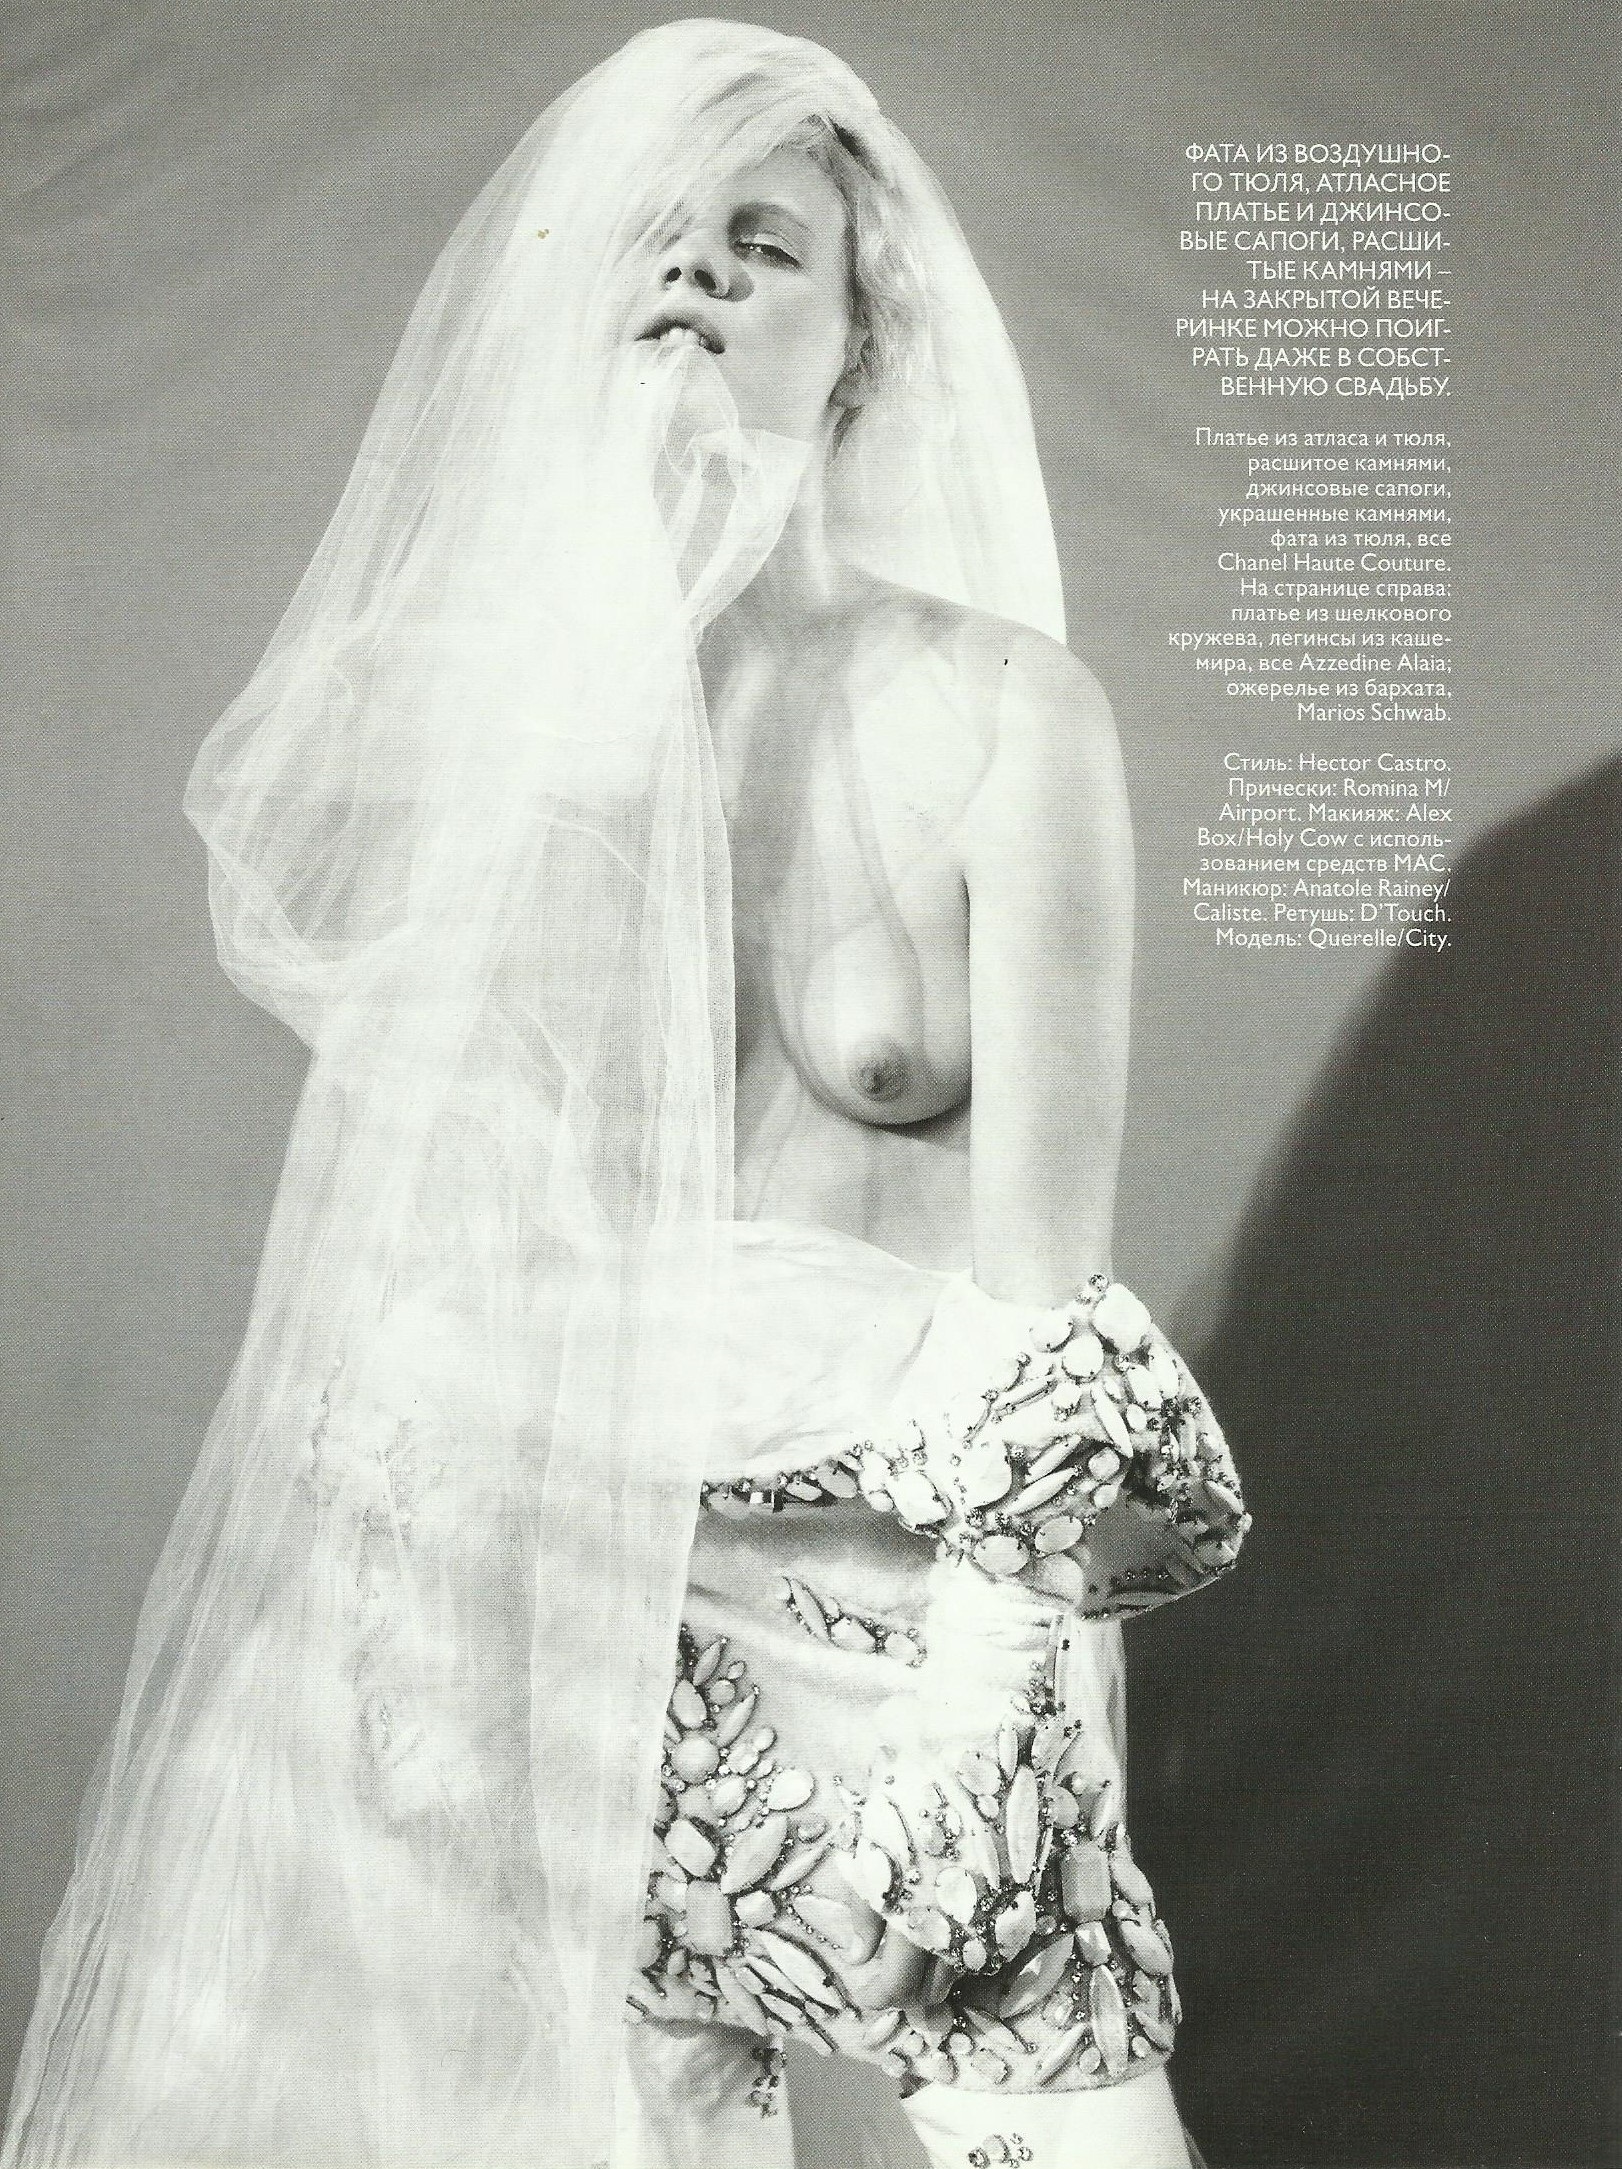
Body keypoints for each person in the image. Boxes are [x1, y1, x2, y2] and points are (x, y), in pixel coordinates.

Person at [2, 23, 1245, 2169]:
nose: (693, 279)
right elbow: (435, 1242)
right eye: (653, 244)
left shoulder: (1004, 712)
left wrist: (982, 1710)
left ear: (865, 338)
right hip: (552, 1598)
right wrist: (415, 1651)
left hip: (897, 1603)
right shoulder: (505, 748)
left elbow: (1042, 1291)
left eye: (762, 245)